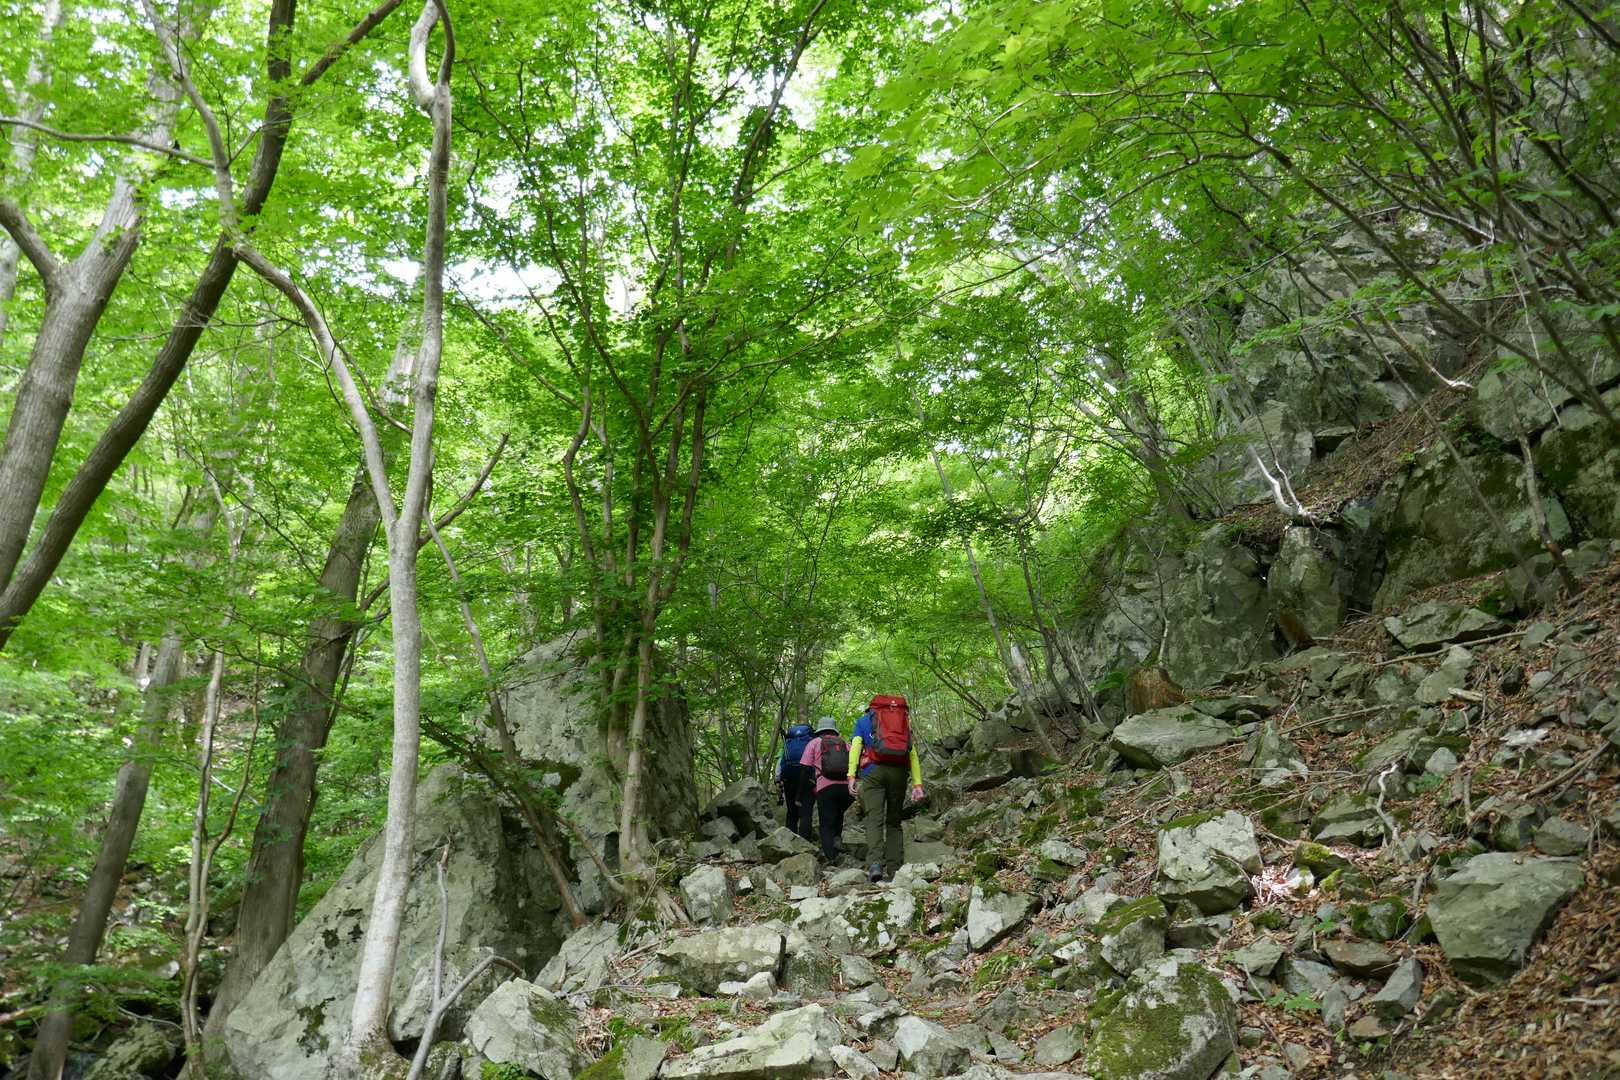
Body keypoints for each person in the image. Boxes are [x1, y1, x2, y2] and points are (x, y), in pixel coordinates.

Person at [847, 695, 924, 882]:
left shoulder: (864, 721)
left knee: (874, 819)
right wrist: (917, 784)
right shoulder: (903, 722)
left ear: (871, 709)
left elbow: (856, 747)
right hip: (898, 773)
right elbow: (912, 753)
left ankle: (875, 864)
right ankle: (895, 868)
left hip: (873, 772)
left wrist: (851, 775)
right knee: (894, 821)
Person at [797, 718, 854, 862]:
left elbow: (804, 768)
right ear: (834, 730)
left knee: (826, 824)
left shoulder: (814, 743)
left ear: (819, 730)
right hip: (846, 788)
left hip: (825, 787)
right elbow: (854, 763)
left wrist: (801, 794)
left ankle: (830, 858)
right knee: (838, 815)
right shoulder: (844, 743)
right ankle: (837, 838)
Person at [778, 720, 816, 838]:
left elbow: (781, 760)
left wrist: (778, 779)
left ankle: (790, 842)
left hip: (789, 776)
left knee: (791, 812)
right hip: (807, 776)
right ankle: (805, 843)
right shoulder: (812, 741)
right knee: (806, 812)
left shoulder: (788, 742)